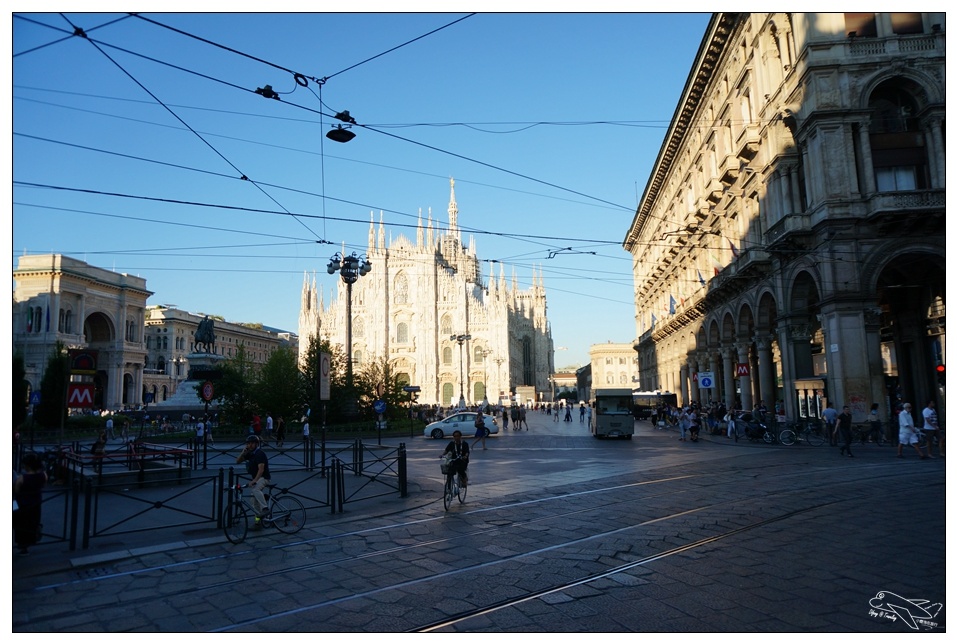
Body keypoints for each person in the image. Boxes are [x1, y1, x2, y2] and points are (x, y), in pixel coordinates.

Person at [14, 452, 47, 555]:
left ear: (27, 465)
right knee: (32, 524)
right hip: (36, 504)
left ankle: (23, 547)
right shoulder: (43, 475)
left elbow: (16, 491)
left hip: (22, 505)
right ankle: (27, 546)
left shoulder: (22, 478)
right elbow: (43, 486)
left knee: (21, 525)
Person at [236, 435, 271, 528]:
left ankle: (265, 509)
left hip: (264, 477)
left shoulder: (260, 454)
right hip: (257, 478)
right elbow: (237, 461)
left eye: (252, 443)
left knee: (255, 490)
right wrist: (243, 452)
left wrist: (255, 480)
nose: (250, 445)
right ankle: (257, 521)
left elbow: (261, 469)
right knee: (253, 500)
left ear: (257, 444)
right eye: (248, 443)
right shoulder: (250, 454)